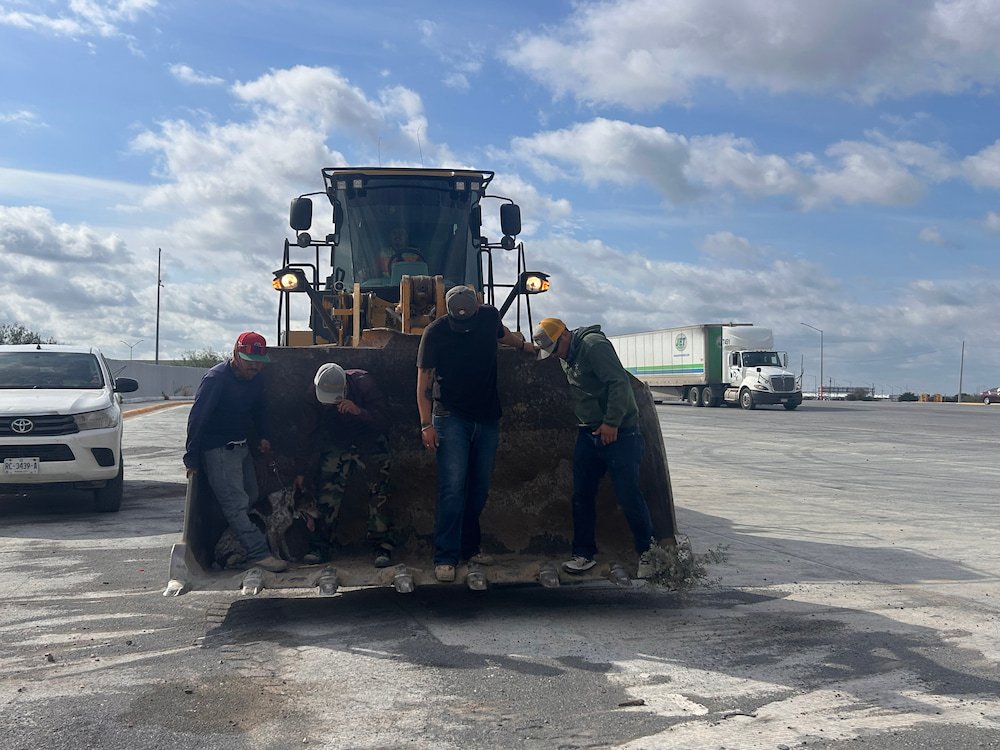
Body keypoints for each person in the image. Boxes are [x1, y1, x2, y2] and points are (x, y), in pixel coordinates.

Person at [416, 285, 535, 582]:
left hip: (487, 417)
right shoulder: (435, 333)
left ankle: (470, 548)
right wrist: (426, 425)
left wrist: (525, 346)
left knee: (479, 488)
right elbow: (424, 383)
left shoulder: (489, 318)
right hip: (450, 417)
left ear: (477, 309)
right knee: (452, 488)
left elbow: (505, 336)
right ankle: (445, 556)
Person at [532, 317, 656, 578]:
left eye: (556, 350)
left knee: (628, 493)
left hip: (620, 434)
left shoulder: (594, 346)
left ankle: (649, 553)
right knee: (582, 495)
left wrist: (612, 423)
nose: (555, 356)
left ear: (565, 335)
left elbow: (618, 383)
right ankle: (584, 554)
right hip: (588, 432)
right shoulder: (567, 352)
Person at [183, 332, 287, 573]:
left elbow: (259, 410)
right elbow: (197, 419)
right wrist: (192, 458)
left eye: (258, 361)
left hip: (241, 449)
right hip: (219, 451)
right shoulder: (216, 379)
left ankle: (237, 537)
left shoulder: (256, 380)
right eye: (249, 359)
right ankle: (258, 553)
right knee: (236, 506)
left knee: (250, 495)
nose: (254, 366)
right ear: (236, 355)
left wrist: (263, 436)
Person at [293, 362, 396, 568]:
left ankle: (383, 544)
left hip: (369, 440)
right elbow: (306, 434)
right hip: (337, 442)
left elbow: (385, 420)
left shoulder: (364, 383)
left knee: (380, 491)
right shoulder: (312, 394)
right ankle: (320, 545)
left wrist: (359, 412)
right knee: (327, 490)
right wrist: (300, 471)